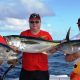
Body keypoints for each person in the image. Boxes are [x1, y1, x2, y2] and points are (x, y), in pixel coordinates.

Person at [19, 13, 56, 80]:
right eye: (32, 22)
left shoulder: (46, 34)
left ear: (40, 22)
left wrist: (57, 47)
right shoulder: (23, 34)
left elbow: (52, 51)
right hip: (26, 69)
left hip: (42, 70)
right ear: (29, 22)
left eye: (37, 22)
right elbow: (19, 50)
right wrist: (14, 49)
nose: (34, 24)